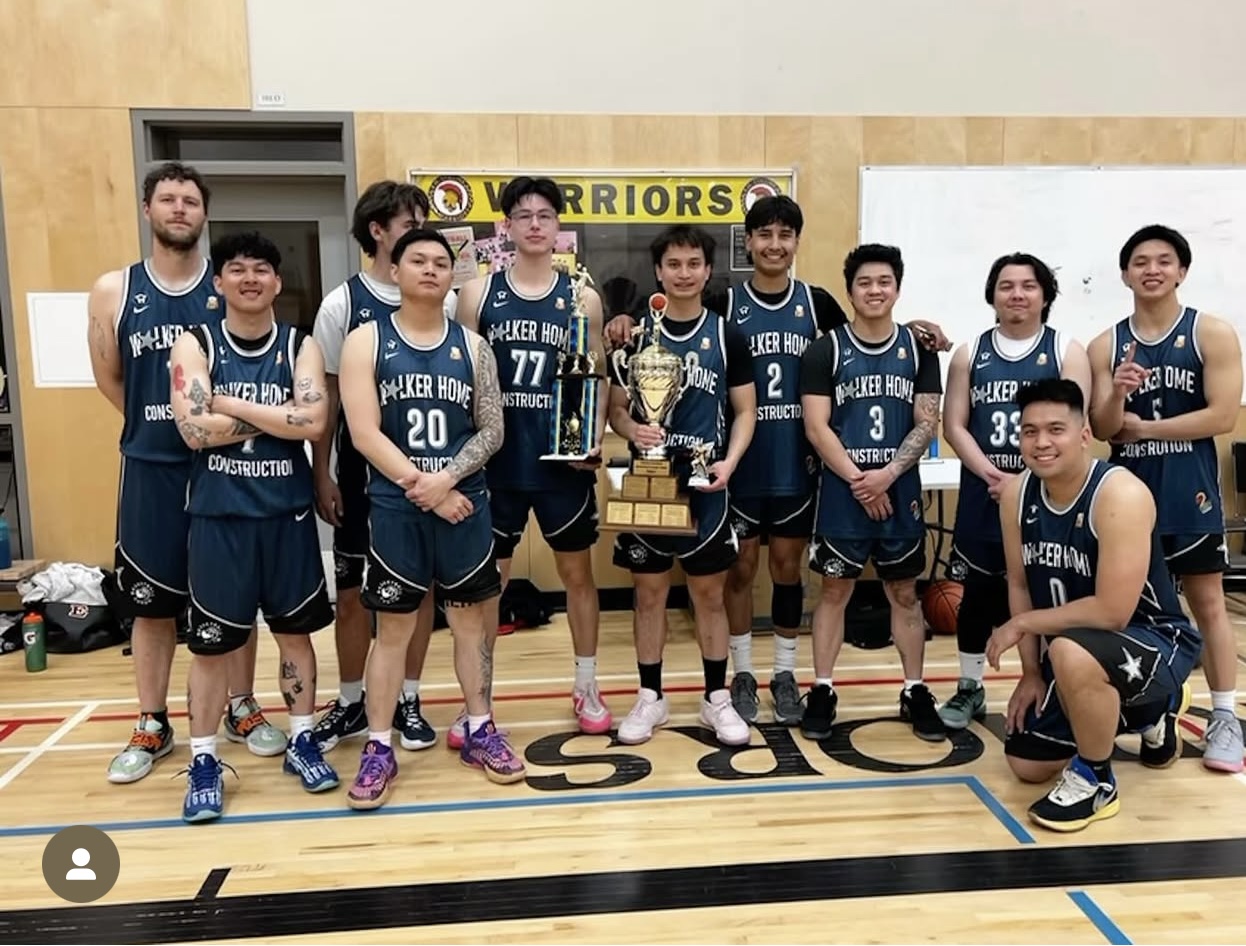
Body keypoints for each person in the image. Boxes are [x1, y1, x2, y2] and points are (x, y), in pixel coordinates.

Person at [603, 197, 950, 726]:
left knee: (788, 571)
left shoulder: (817, 303)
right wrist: (625, 319)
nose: (774, 244)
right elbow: (672, 315)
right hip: (733, 465)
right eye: (764, 234)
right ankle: (740, 674)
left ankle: (785, 674)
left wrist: (918, 327)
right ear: (748, 242)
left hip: (798, 463)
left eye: (785, 234)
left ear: (796, 242)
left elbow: (868, 329)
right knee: (738, 573)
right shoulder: (724, 301)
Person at [87, 161, 283, 786]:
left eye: (190, 201)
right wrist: (169, 423)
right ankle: (152, 720)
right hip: (153, 469)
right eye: (168, 199)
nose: (179, 209)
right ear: (147, 208)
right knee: (151, 604)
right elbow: (111, 377)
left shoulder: (225, 286)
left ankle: (241, 706)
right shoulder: (114, 290)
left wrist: (213, 431)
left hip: (223, 466)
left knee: (235, 596)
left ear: (204, 213)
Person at [337, 229, 518, 806]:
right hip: (399, 508)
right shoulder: (366, 340)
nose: (431, 269)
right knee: (393, 632)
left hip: (464, 504)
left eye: (441, 262)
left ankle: (480, 728)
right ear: (395, 270)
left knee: (471, 626)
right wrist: (428, 488)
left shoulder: (474, 347)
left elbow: (492, 429)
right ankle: (378, 746)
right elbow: (364, 433)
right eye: (418, 260)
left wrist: (446, 480)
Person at [169, 231, 338, 822]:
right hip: (220, 519)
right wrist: (280, 418)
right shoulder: (195, 343)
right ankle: (205, 761)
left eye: (261, 269)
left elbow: (314, 423)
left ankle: (302, 740)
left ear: (276, 281)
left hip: (286, 517)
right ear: (218, 282)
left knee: (296, 637)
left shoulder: (299, 344)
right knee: (211, 649)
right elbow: (193, 429)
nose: (250, 278)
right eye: (237, 269)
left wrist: (233, 406)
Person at [988, 378, 1202, 831]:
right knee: (1026, 763)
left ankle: (1096, 780)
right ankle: (1148, 715)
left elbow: (1112, 612)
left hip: (1154, 638)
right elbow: (1020, 584)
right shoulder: (1016, 496)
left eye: (1055, 430)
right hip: (1080, 648)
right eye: (1029, 431)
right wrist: (1030, 672)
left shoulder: (1120, 494)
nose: (1041, 442)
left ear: (1084, 434)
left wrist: (1022, 625)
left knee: (1070, 651)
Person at [1087, 224, 1244, 774]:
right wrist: (1118, 393)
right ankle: (1151, 709)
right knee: (1128, 609)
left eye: (1163, 261)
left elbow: (1222, 416)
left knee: (1207, 602)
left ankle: (1225, 716)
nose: (1151, 270)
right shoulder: (1105, 345)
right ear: (1124, 273)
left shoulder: (1211, 333)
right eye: (1140, 262)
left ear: (1182, 271)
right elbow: (1103, 428)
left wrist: (1147, 428)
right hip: (1128, 499)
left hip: (1189, 490)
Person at [456, 176, 610, 740]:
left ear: (558, 225)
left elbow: (595, 375)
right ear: (507, 227)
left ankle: (586, 684)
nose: (536, 225)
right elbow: (461, 378)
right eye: (524, 216)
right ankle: (479, 701)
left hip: (560, 463)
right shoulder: (478, 294)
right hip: (497, 464)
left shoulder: (582, 297)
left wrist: (592, 437)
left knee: (577, 575)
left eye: (545, 215)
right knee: (487, 587)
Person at [310, 181, 455, 755]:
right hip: (360, 472)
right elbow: (326, 398)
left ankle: (408, 698)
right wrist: (320, 472)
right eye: (409, 223)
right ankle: (351, 699)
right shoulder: (342, 304)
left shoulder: (443, 302)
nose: (421, 236)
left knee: (420, 592)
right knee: (351, 593)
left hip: (430, 473)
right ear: (378, 230)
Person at [607, 225, 757, 746]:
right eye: (674, 264)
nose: (684, 273)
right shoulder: (636, 336)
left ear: (708, 270)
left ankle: (716, 697)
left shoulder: (726, 335)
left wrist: (730, 462)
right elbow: (616, 411)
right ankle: (651, 696)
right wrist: (633, 430)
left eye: (694, 263)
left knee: (709, 595)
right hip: (650, 479)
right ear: (658, 271)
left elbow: (745, 411)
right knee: (648, 594)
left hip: (706, 483)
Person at [938, 253, 1092, 730]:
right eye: (1006, 286)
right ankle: (969, 687)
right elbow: (954, 425)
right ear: (993, 295)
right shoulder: (970, 353)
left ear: (1045, 295)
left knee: (1046, 591)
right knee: (977, 593)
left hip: (1046, 493)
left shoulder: (1066, 350)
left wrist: (1023, 482)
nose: (1017, 294)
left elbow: (1074, 427)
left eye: (1028, 285)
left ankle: (1052, 683)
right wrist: (993, 476)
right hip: (985, 490)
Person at [799, 244, 944, 743]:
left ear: (897, 289)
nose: (875, 290)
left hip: (898, 489)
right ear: (850, 291)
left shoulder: (919, 349)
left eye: (884, 281)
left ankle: (914, 688)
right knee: (834, 590)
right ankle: (822, 688)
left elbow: (927, 421)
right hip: (843, 491)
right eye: (864, 282)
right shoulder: (825, 350)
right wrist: (863, 481)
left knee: (904, 592)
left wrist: (888, 474)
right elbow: (817, 427)